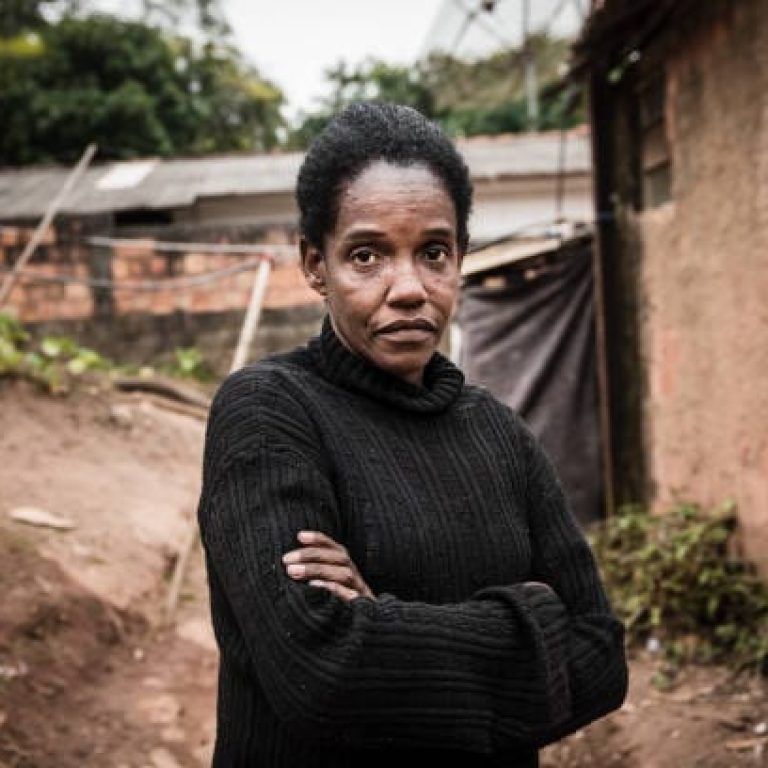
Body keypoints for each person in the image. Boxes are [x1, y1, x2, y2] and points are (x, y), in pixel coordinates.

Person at [197, 102, 627, 768]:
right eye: (367, 255)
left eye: (433, 252)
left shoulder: (499, 433)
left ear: (459, 259)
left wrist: (382, 622)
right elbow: (321, 675)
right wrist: (535, 620)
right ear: (316, 263)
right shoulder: (270, 414)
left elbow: (601, 655)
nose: (408, 288)